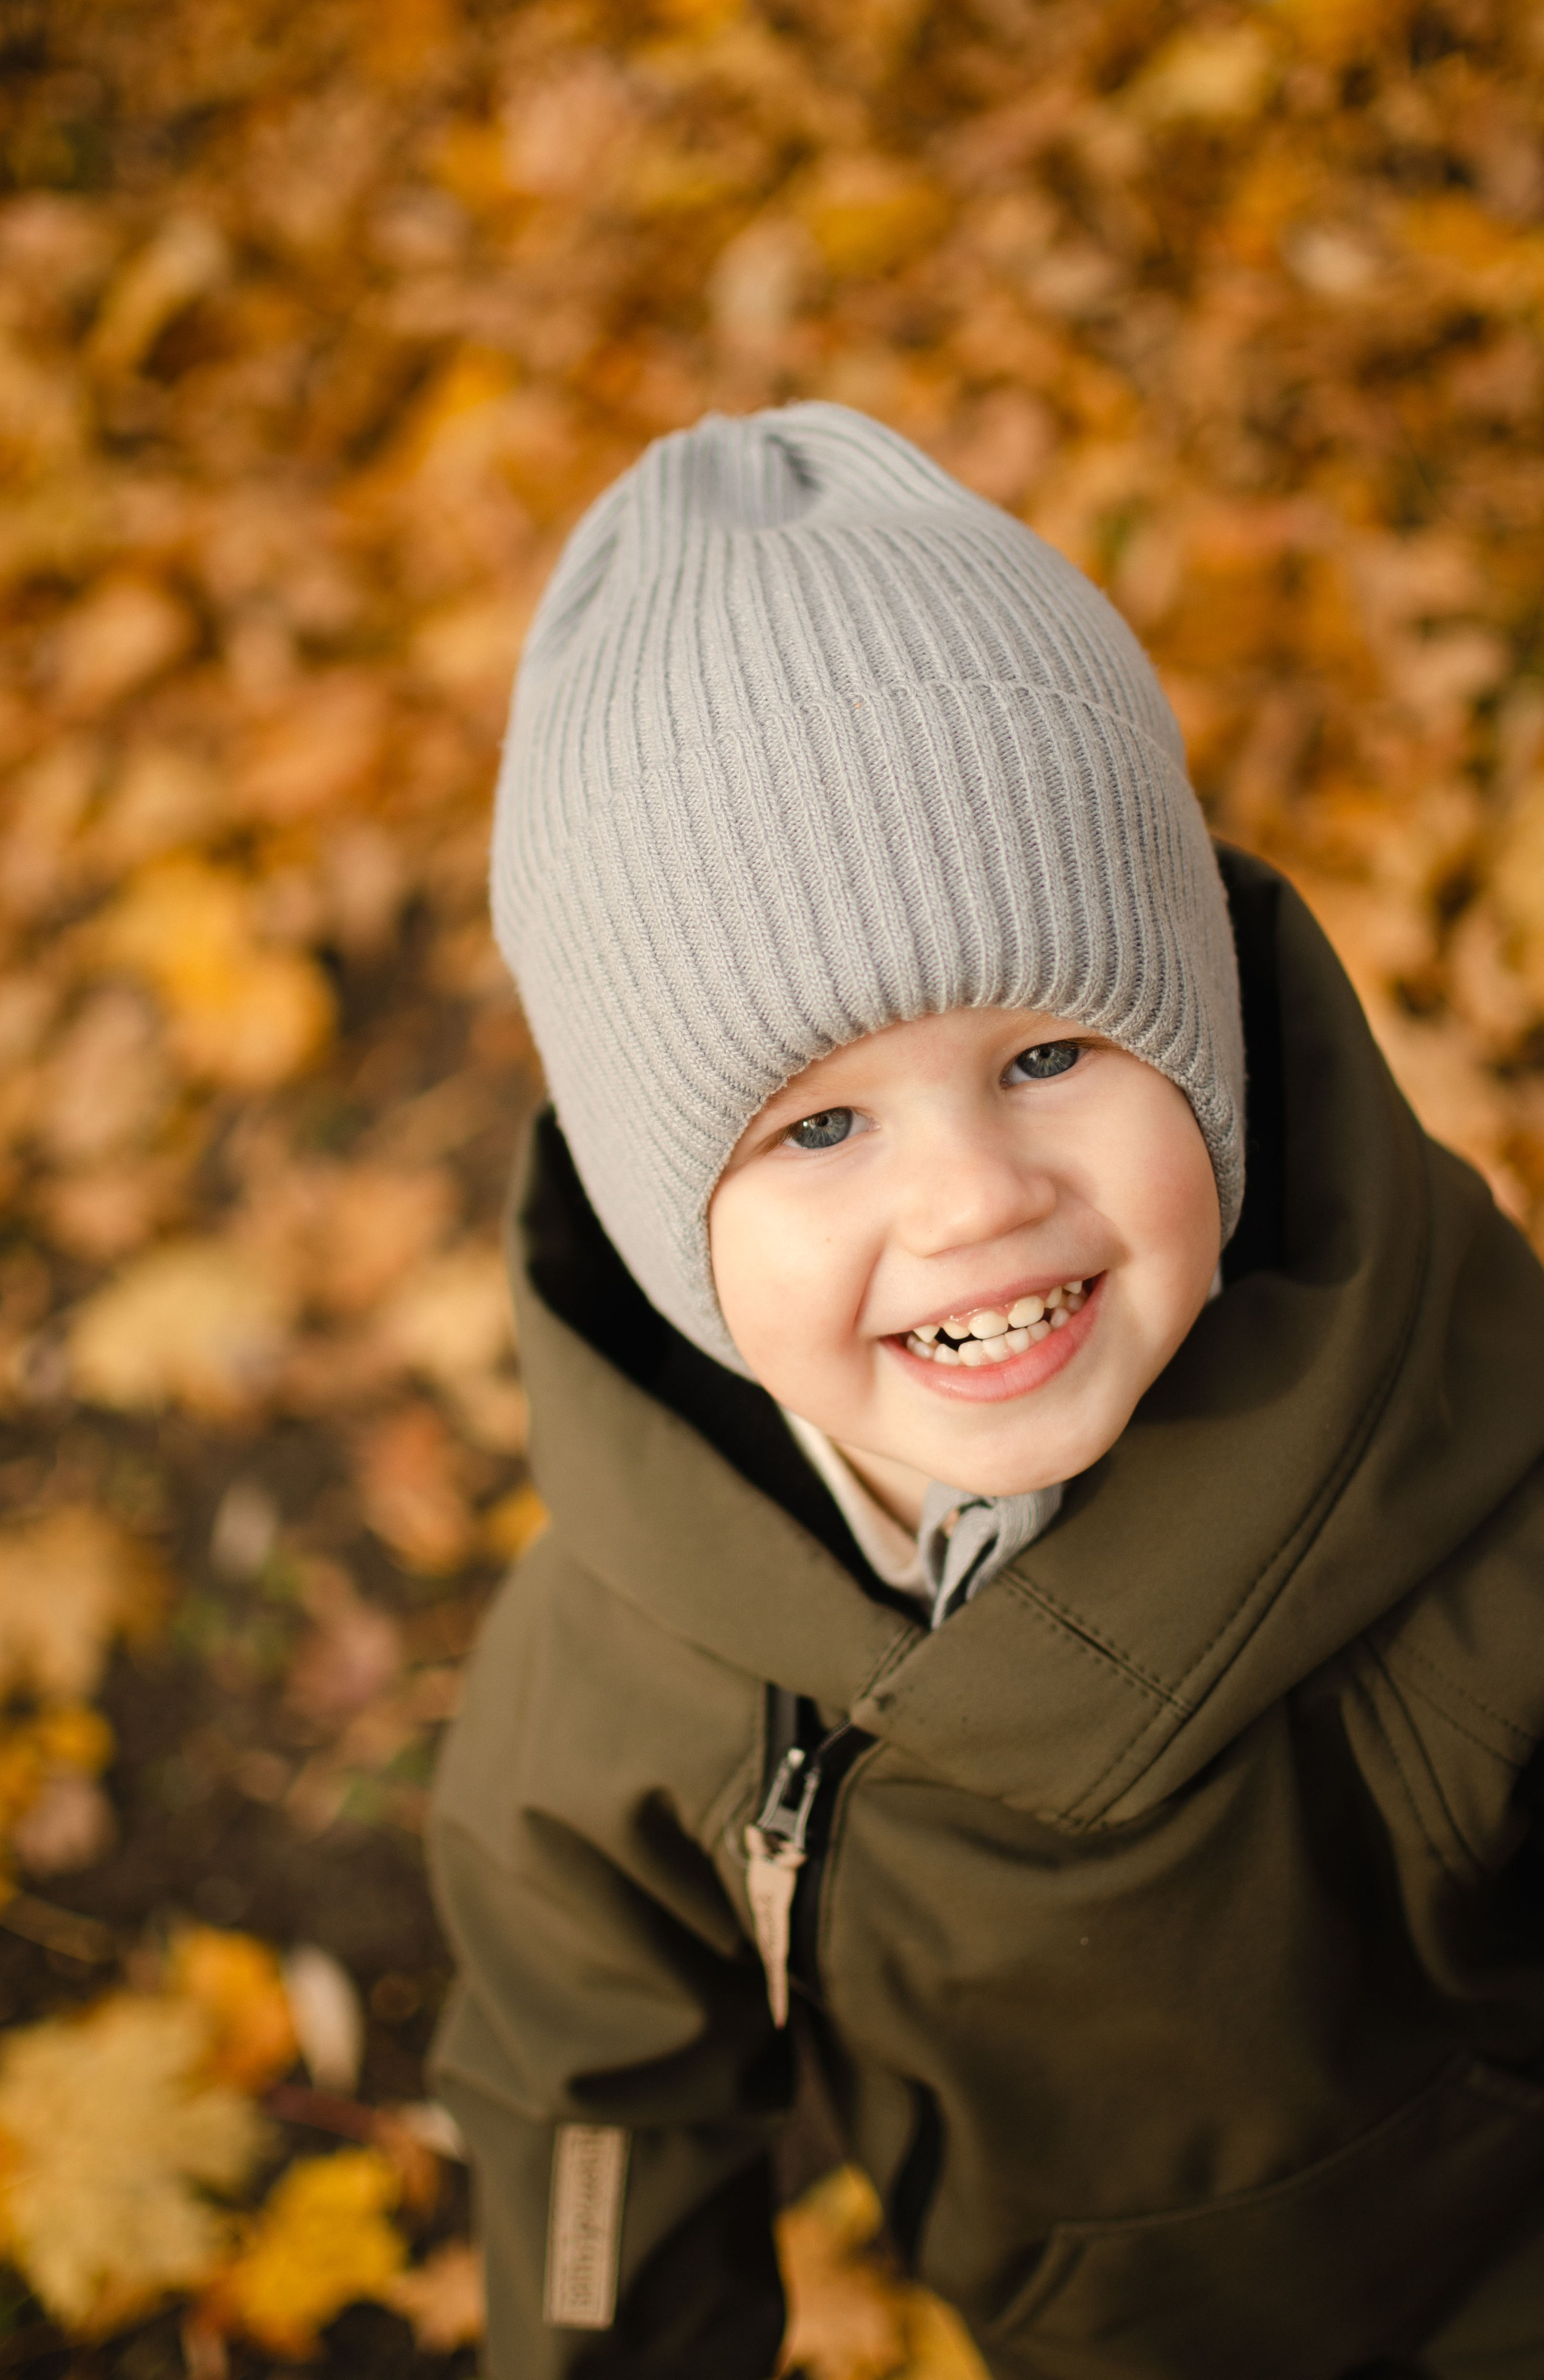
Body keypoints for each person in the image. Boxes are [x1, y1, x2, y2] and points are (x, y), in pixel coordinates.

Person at [427, 403, 1544, 2379]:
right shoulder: (621, 1683)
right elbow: (597, 2127)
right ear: (653, 1209)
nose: (972, 1197)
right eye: (821, 1124)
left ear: (1201, 1034)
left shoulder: (1481, 1463)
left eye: (1050, 1055)